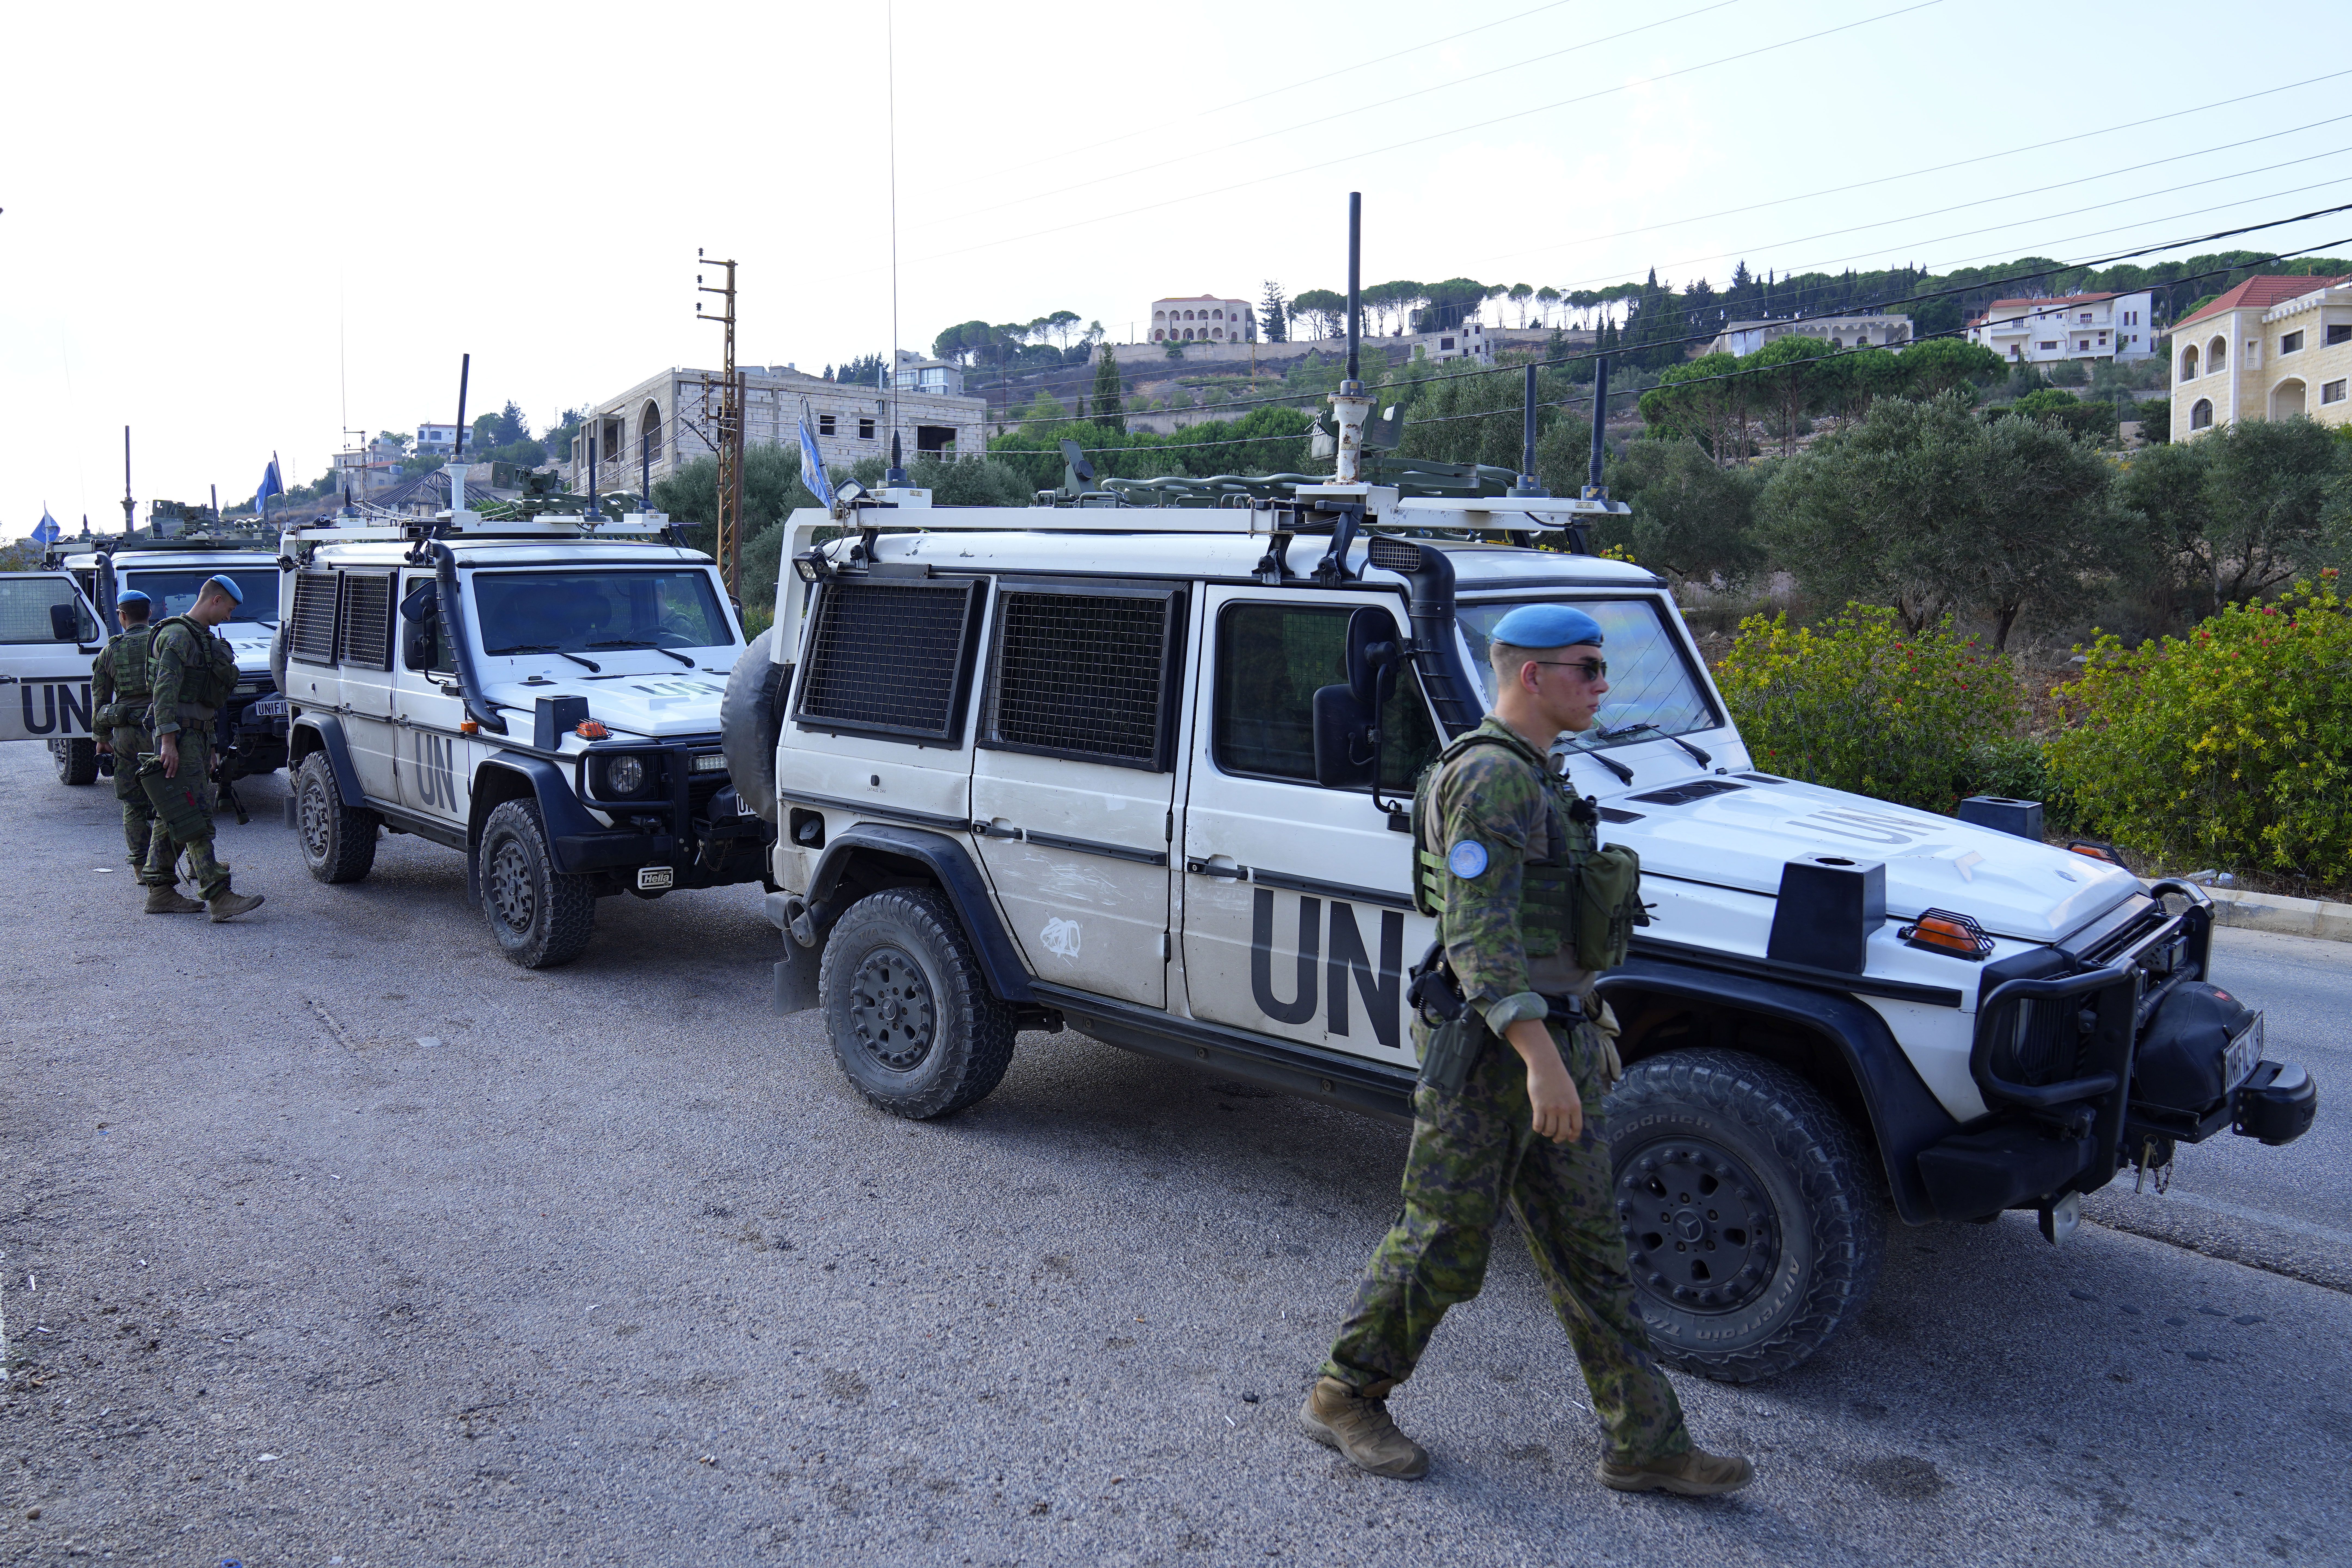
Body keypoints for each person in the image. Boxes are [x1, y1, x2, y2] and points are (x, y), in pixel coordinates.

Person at [1300, 603, 1752, 1496]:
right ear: (1531, 676)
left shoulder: (1541, 776)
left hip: (1560, 1042)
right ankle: (1345, 1396)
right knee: (1441, 1245)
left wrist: (1567, 1050)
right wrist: (1543, 1062)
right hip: (1497, 1058)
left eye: (1601, 667)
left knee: (1594, 1253)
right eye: (1587, 668)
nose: (1602, 685)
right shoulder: (1493, 782)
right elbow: (1480, 944)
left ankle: (1646, 1442)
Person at [142, 575, 264, 922]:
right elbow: (164, 692)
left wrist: (211, 745)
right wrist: (168, 742)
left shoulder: (200, 637)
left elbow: (204, 701)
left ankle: (160, 890)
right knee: (194, 814)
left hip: (195, 737)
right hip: (179, 737)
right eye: (229, 608)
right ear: (215, 600)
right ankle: (217, 894)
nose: (229, 616)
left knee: (176, 812)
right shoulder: (177, 636)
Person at [91, 590, 203, 913]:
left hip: (126, 734)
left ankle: (142, 867)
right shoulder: (164, 641)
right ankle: (196, 863)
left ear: (122, 616)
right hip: (163, 729)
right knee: (180, 798)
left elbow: (100, 697)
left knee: (133, 801)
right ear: (150, 612)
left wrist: (101, 737)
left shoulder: (111, 650)